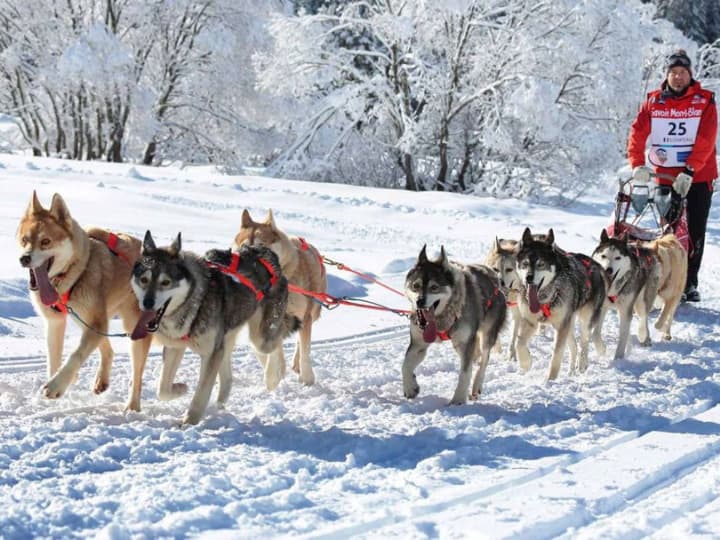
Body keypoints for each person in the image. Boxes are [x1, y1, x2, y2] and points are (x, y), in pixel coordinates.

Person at [628, 49, 717, 302]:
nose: (678, 77)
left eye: (683, 73)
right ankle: (667, 280)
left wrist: (690, 169)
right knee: (668, 230)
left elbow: (707, 138)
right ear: (667, 75)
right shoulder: (654, 101)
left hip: (698, 176)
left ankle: (689, 283)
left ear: (690, 75)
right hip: (666, 175)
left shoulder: (705, 100)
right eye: (673, 73)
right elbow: (637, 132)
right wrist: (637, 164)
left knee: (695, 230)